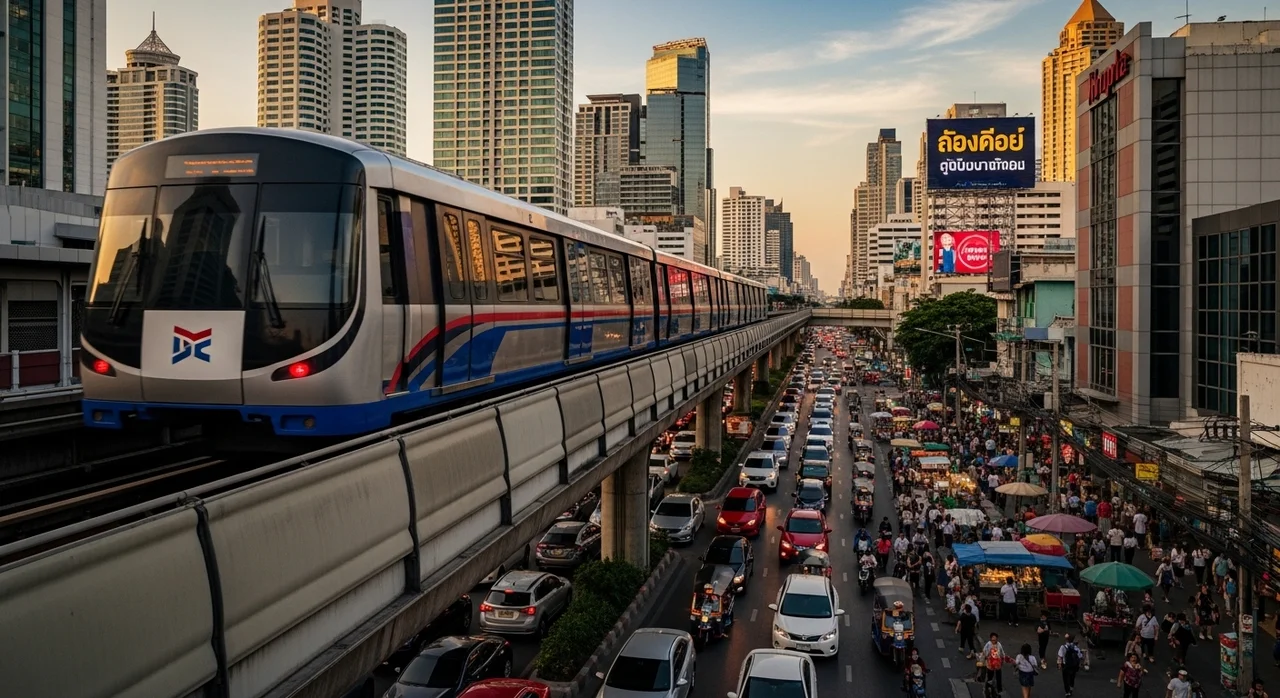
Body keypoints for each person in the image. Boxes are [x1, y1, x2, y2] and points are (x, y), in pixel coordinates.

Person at [1057, 632, 1085, 698]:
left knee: (1065, 679)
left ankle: (1067, 692)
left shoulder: (1063, 647)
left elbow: (1060, 656)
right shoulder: (1076, 647)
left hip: (1066, 665)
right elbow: (1080, 656)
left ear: (1067, 639)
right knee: (1072, 677)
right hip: (1074, 665)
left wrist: (1059, 664)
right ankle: (1071, 688)